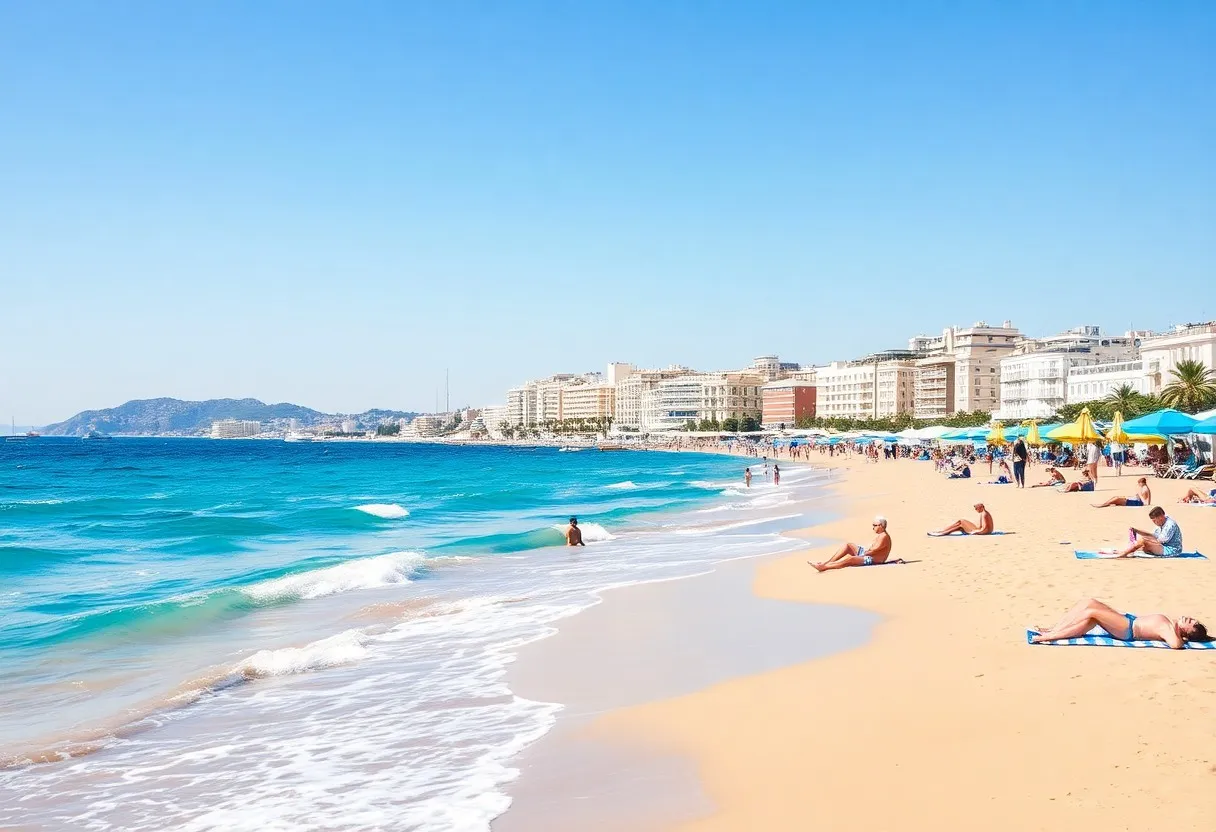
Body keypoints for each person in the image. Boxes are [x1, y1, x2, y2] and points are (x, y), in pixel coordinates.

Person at [1031, 598, 1207, 648]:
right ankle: (1054, 629)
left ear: (1186, 632)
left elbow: (1175, 645)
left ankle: (1050, 636)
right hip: (1128, 621)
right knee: (1088, 603)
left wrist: (1180, 638)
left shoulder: (1169, 630)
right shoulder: (1170, 625)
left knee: (1091, 612)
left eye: (1190, 623)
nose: (1188, 618)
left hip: (1128, 629)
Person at [809, 516, 895, 571]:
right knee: (848, 545)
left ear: (881, 526)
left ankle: (825, 567)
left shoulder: (884, 537)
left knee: (851, 559)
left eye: (874, 525)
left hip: (873, 560)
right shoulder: (881, 535)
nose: (873, 528)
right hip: (868, 555)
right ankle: (827, 562)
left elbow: (873, 552)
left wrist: (860, 555)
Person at [1116, 506, 1183, 557]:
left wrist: (1144, 541)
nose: (1154, 523)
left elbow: (1160, 540)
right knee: (1141, 545)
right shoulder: (1161, 523)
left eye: (1154, 521)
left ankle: (1124, 554)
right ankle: (1125, 551)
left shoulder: (1170, 525)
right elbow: (1153, 536)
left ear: (1160, 517)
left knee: (1143, 541)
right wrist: (1136, 531)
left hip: (1172, 550)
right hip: (1162, 547)